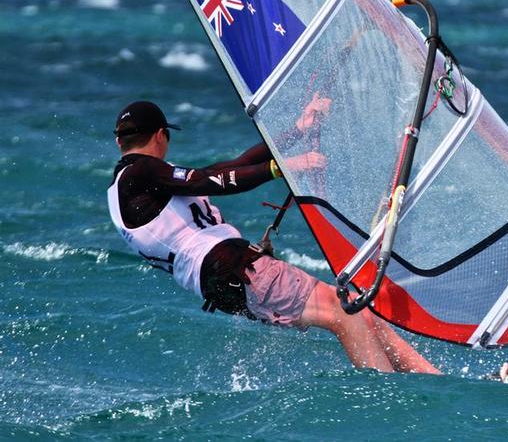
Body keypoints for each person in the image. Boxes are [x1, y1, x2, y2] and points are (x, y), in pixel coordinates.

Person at [106, 100, 438, 374]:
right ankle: (387, 400)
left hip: (223, 280)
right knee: (344, 311)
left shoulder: (142, 183)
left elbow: (231, 166)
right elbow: (207, 182)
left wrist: (297, 130)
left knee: (356, 309)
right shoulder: (140, 172)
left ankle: (430, 380)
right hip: (229, 268)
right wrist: (281, 169)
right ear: (161, 135)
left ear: (120, 140)